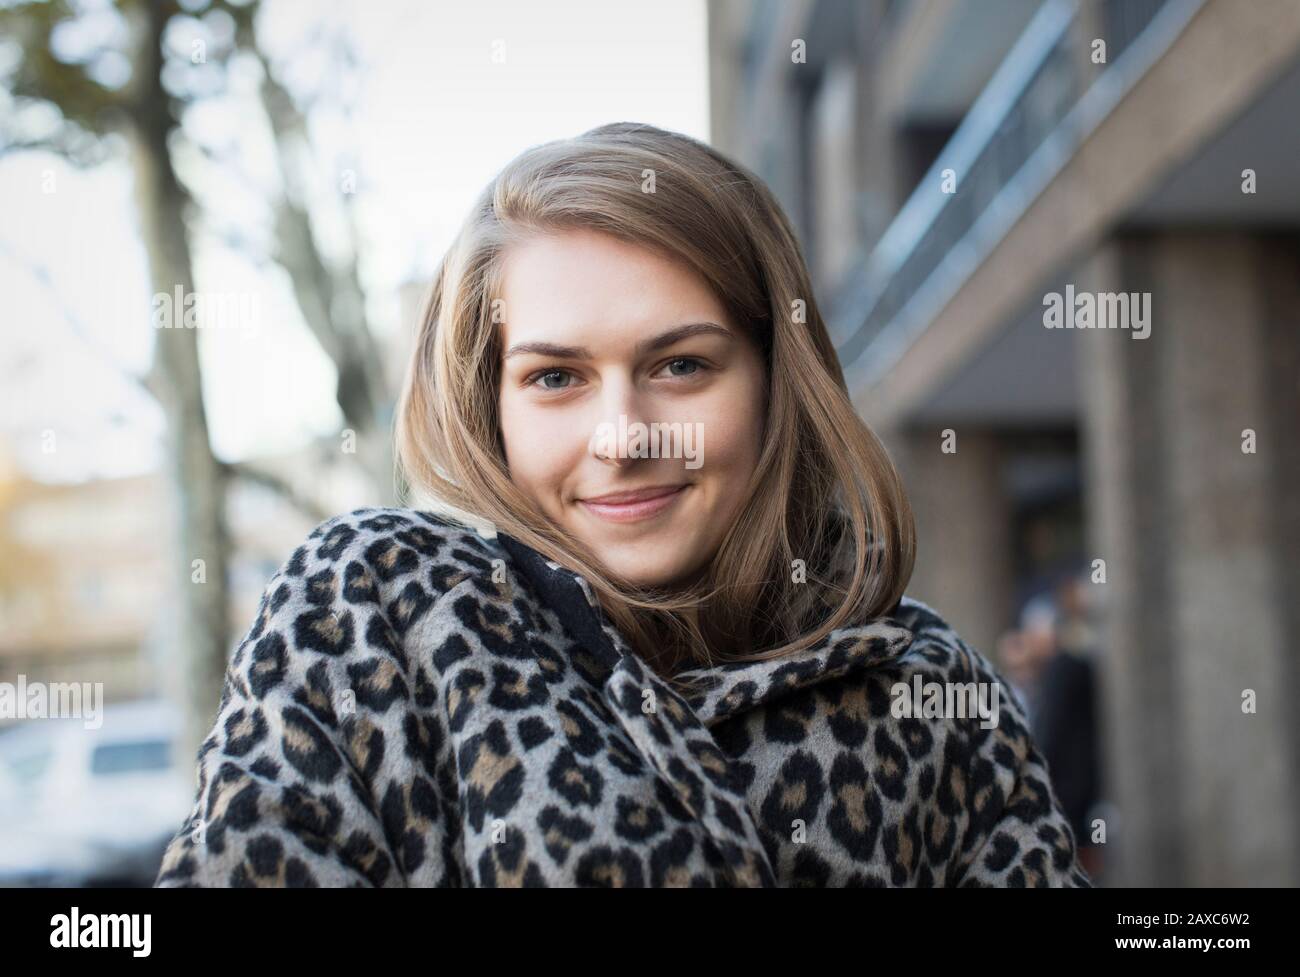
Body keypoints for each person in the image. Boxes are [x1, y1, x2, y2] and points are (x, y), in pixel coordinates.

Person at [155, 122, 1090, 888]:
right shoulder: (376, 610)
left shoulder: (924, 682)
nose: (623, 435)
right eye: (556, 376)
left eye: (680, 365)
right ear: (494, 407)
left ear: (775, 377)